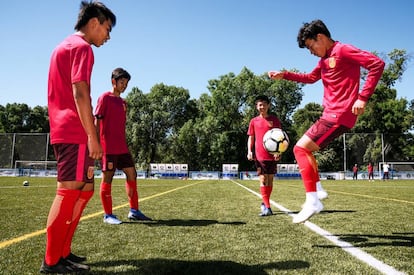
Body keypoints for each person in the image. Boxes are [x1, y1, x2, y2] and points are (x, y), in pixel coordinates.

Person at [268, 19, 385, 223]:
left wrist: (362, 97)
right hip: (330, 114)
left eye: (310, 46)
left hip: (339, 114)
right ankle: (318, 190)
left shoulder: (343, 50)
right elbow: (310, 78)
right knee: (306, 150)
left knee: (300, 149)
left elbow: (376, 64)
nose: (311, 51)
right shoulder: (324, 61)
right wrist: (284, 75)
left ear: (320, 37)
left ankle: (313, 200)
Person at [41, 1, 116, 273]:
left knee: (85, 190)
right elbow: (80, 93)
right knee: (69, 190)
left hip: (69, 129)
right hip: (74, 130)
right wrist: (93, 136)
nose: (108, 36)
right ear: (94, 22)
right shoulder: (82, 47)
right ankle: (51, 262)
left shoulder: (64, 46)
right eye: (107, 29)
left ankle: (63, 252)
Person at [95, 68, 152, 224]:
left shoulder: (123, 103)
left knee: (132, 174)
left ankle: (134, 210)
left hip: (122, 147)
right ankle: (108, 215)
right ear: (113, 82)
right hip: (108, 147)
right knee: (108, 177)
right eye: (122, 82)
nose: (124, 85)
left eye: (126, 83)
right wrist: (94, 142)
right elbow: (97, 120)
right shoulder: (104, 98)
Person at [247, 95, 282, 216]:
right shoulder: (254, 121)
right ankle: (267, 207)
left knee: (270, 179)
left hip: (272, 155)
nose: (262, 107)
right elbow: (251, 137)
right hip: (259, 155)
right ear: (257, 107)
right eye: (259, 105)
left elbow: (280, 136)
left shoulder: (274, 120)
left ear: (268, 105)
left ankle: (265, 202)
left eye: (264, 104)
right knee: (263, 179)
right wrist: (249, 151)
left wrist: (278, 152)